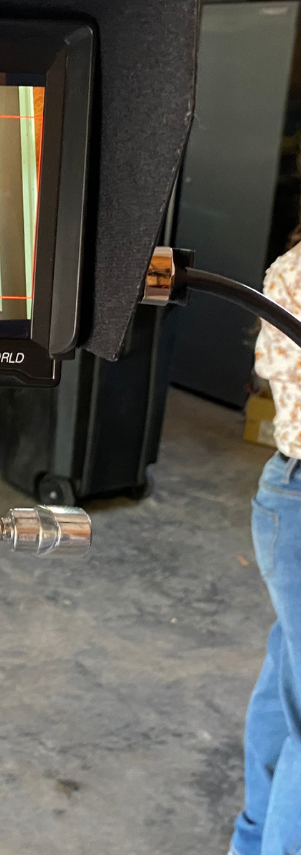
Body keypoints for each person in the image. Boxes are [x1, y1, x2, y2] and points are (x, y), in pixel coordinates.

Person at [230, 237, 301, 855]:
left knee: (289, 679)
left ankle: (256, 843)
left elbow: (266, 366)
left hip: (289, 493)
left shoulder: (287, 269)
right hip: (298, 496)